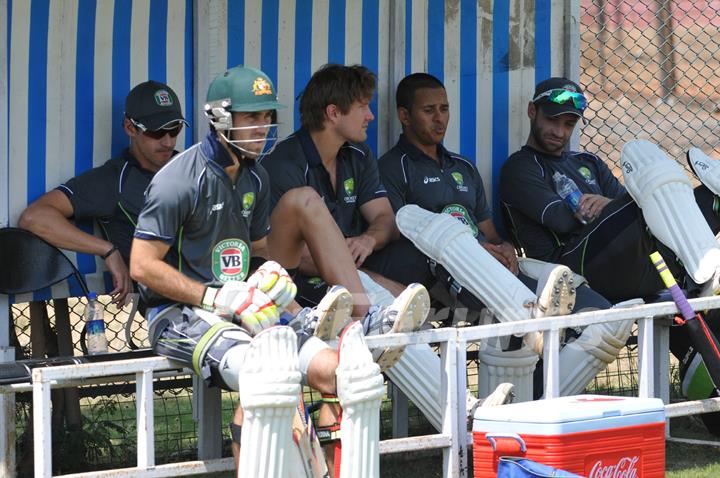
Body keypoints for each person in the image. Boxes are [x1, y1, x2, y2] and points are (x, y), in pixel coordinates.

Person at [130, 65, 426, 476]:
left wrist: (270, 277)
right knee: (267, 374)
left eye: (267, 116)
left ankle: (363, 329)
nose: (262, 126)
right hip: (179, 313)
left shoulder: (256, 177)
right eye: (252, 116)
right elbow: (141, 266)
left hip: (243, 307)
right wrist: (213, 296)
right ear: (219, 117)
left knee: (346, 373)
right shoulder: (179, 180)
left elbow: (255, 248)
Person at [499, 77, 720, 304]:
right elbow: (563, 222)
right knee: (650, 191)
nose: (559, 131)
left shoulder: (588, 162)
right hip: (570, 265)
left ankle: (707, 268)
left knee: (706, 197)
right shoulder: (520, 167)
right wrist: (613, 206)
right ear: (532, 111)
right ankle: (703, 271)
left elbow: (623, 207)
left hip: (625, 259)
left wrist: (608, 205)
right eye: (552, 120)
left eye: (569, 124)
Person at [19, 80, 188, 306]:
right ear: (130, 128)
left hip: (222, 288)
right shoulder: (113, 181)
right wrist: (107, 250)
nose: (168, 142)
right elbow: (34, 218)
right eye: (157, 132)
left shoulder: (193, 167)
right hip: (171, 305)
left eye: (174, 130)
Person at [261, 64, 408, 305]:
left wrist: (367, 239)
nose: (370, 116)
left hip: (354, 263)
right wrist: (367, 280)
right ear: (333, 113)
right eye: (362, 107)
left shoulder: (358, 154)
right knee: (384, 297)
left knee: (412, 257)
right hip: (303, 278)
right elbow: (288, 254)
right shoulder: (283, 164)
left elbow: (386, 218)